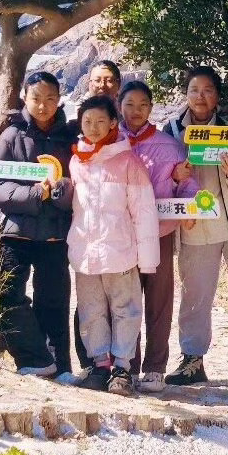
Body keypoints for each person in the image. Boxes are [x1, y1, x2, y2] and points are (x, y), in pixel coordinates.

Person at [164, 66, 228, 398]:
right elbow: (159, 179)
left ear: (217, 97)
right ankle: (192, 360)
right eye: (194, 89)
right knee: (195, 297)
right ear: (186, 94)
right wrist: (177, 177)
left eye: (208, 90)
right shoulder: (170, 131)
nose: (200, 96)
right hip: (197, 226)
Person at [68, 94, 160, 396]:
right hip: (85, 253)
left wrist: (148, 260)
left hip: (119, 252)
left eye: (100, 121)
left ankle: (122, 368)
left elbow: (144, 214)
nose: (93, 127)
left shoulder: (128, 161)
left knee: (125, 310)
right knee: (91, 311)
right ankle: (100, 364)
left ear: (112, 123)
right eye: (87, 122)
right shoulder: (76, 161)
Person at [0, 70, 76, 377]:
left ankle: (60, 364)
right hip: (15, 232)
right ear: (24, 96)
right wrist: (37, 194)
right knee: (7, 295)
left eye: (50, 98)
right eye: (37, 98)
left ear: (59, 99)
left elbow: (79, 186)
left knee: (54, 300)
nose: (43, 105)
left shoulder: (68, 137)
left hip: (55, 234)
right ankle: (34, 358)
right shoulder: (11, 135)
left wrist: (59, 190)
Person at [118, 80, 198, 391]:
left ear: (151, 108)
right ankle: (128, 364)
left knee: (159, 300)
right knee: (126, 300)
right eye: (129, 105)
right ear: (119, 107)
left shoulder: (169, 145)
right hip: (122, 235)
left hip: (160, 232)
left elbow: (187, 187)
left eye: (142, 105)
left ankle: (154, 367)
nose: (135, 111)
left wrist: (190, 208)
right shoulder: (112, 142)